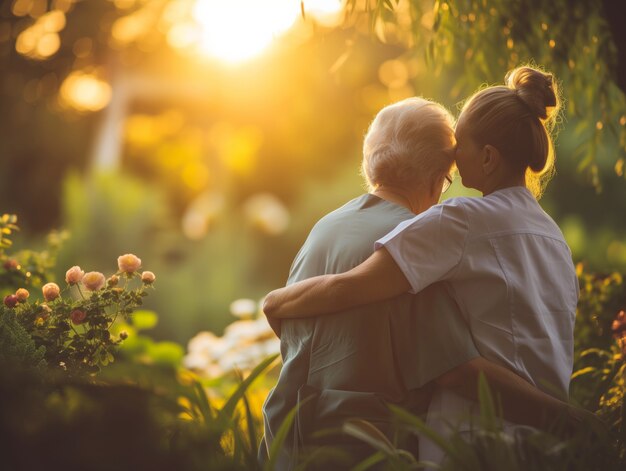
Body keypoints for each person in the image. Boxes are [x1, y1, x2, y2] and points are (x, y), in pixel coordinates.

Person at [261, 90, 583, 469]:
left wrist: (273, 302)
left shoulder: (323, 230)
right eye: (449, 179)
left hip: (284, 442)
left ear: (371, 163)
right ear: (435, 178)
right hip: (365, 451)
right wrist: (573, 422)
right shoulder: (416, 246)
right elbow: (456, 370)